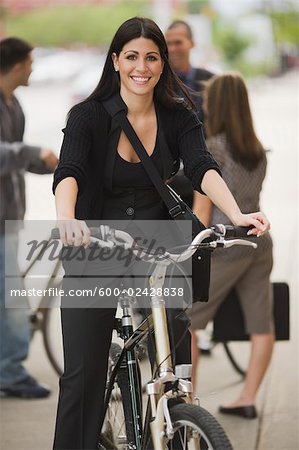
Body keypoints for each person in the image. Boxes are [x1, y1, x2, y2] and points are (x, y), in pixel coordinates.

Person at [52, 18, 270, 449]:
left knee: (176, 349)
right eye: (131, 56)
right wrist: (67, 218)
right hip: (94, 244)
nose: (142, 66)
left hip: (156, 244)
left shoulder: (178, 114)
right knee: (82, 375)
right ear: (115, 61)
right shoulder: (88, 116)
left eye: (152, 57)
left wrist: (236, 213)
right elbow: (69, 171)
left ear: (163, 63)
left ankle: (174, 424)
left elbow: (202, 165)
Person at [190, 72, 275, 419]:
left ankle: (186, 401)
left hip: (223, 247)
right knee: (262, 324)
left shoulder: (212, 150)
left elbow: (202, 211)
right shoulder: (258, 149)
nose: (205, 104)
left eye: (209, 99)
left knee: (187, 324)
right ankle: (248, 397)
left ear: (219, 103)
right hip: (259, 242)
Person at [0, 37, 58, 398]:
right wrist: (35, 151)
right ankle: (10, 373)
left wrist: (56, 166)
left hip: (10, 218)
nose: (34, 68)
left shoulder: (14, 104)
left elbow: (14, 163)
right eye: (32, 61)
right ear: (18, 64)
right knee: (13, 301)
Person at [165, 20, 214, 208]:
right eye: (168, 43)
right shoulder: (157, 84)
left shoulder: (210, 81)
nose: (173, 48)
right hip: (169, 179)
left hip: (205, 171)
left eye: (178, 42)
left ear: (192, 43)